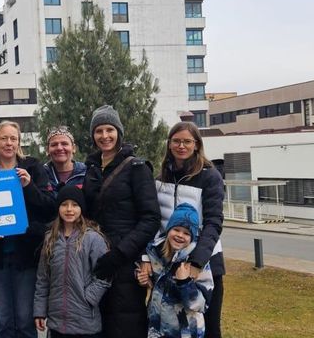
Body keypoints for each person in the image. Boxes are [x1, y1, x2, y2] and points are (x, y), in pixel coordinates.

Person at [82, 105, 161, 338]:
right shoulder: (91, 168)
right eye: (99, 131)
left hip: (125, 260)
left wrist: (119, 254)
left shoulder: (137, 168)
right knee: (99, 324)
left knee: (125, 324)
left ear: (119, 132)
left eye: (110, 130)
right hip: (95, 257)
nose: (104, 136)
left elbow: (150, 218)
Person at [0, 120, 56, 338]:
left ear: (19, 142)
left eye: (13, 138)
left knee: (25, 320)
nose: (8, 143)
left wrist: (29, 186)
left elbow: (49, 208)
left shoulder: (33, 168)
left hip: (26, 256)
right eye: (4, 138)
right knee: (3, 321)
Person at [154, 121, 225, 338]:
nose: (181, 146)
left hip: (204, 262)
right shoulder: (161, 178)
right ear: (169, 144)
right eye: (176, 141)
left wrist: (196, 262)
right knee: (170, 325)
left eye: (187, 141)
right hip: (168, 261)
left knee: (208, 326)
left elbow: (214, 221)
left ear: (196, 144)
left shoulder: (209, 176)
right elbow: (155, 221)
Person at [34, 185, 111, 338]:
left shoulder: (93, 238)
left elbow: (105, 273)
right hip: (57, 323)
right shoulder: (50, 238)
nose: (69, 209)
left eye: (75, 205)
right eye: (64, 204)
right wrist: (40, 311)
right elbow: (43, 278)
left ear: (81, 208)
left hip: (85, 323)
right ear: (58, 208)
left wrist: (89, 298)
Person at [136, 203, 213, 338]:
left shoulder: (197, 263)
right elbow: (150, 276)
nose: (180, 235)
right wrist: (143, 277)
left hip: (185, 332)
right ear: (168, 229)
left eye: (186, 233)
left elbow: (201, 305)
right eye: (176, 229)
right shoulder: (155, 251)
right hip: (156, 327)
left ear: (192, 237)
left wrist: (185, 283)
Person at [43, 126, 88, 193]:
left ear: (73, 148)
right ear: (47, 150)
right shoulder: (41, 174)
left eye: (64, 144)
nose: (59, 148)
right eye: (54, 145)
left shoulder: (86, 173)